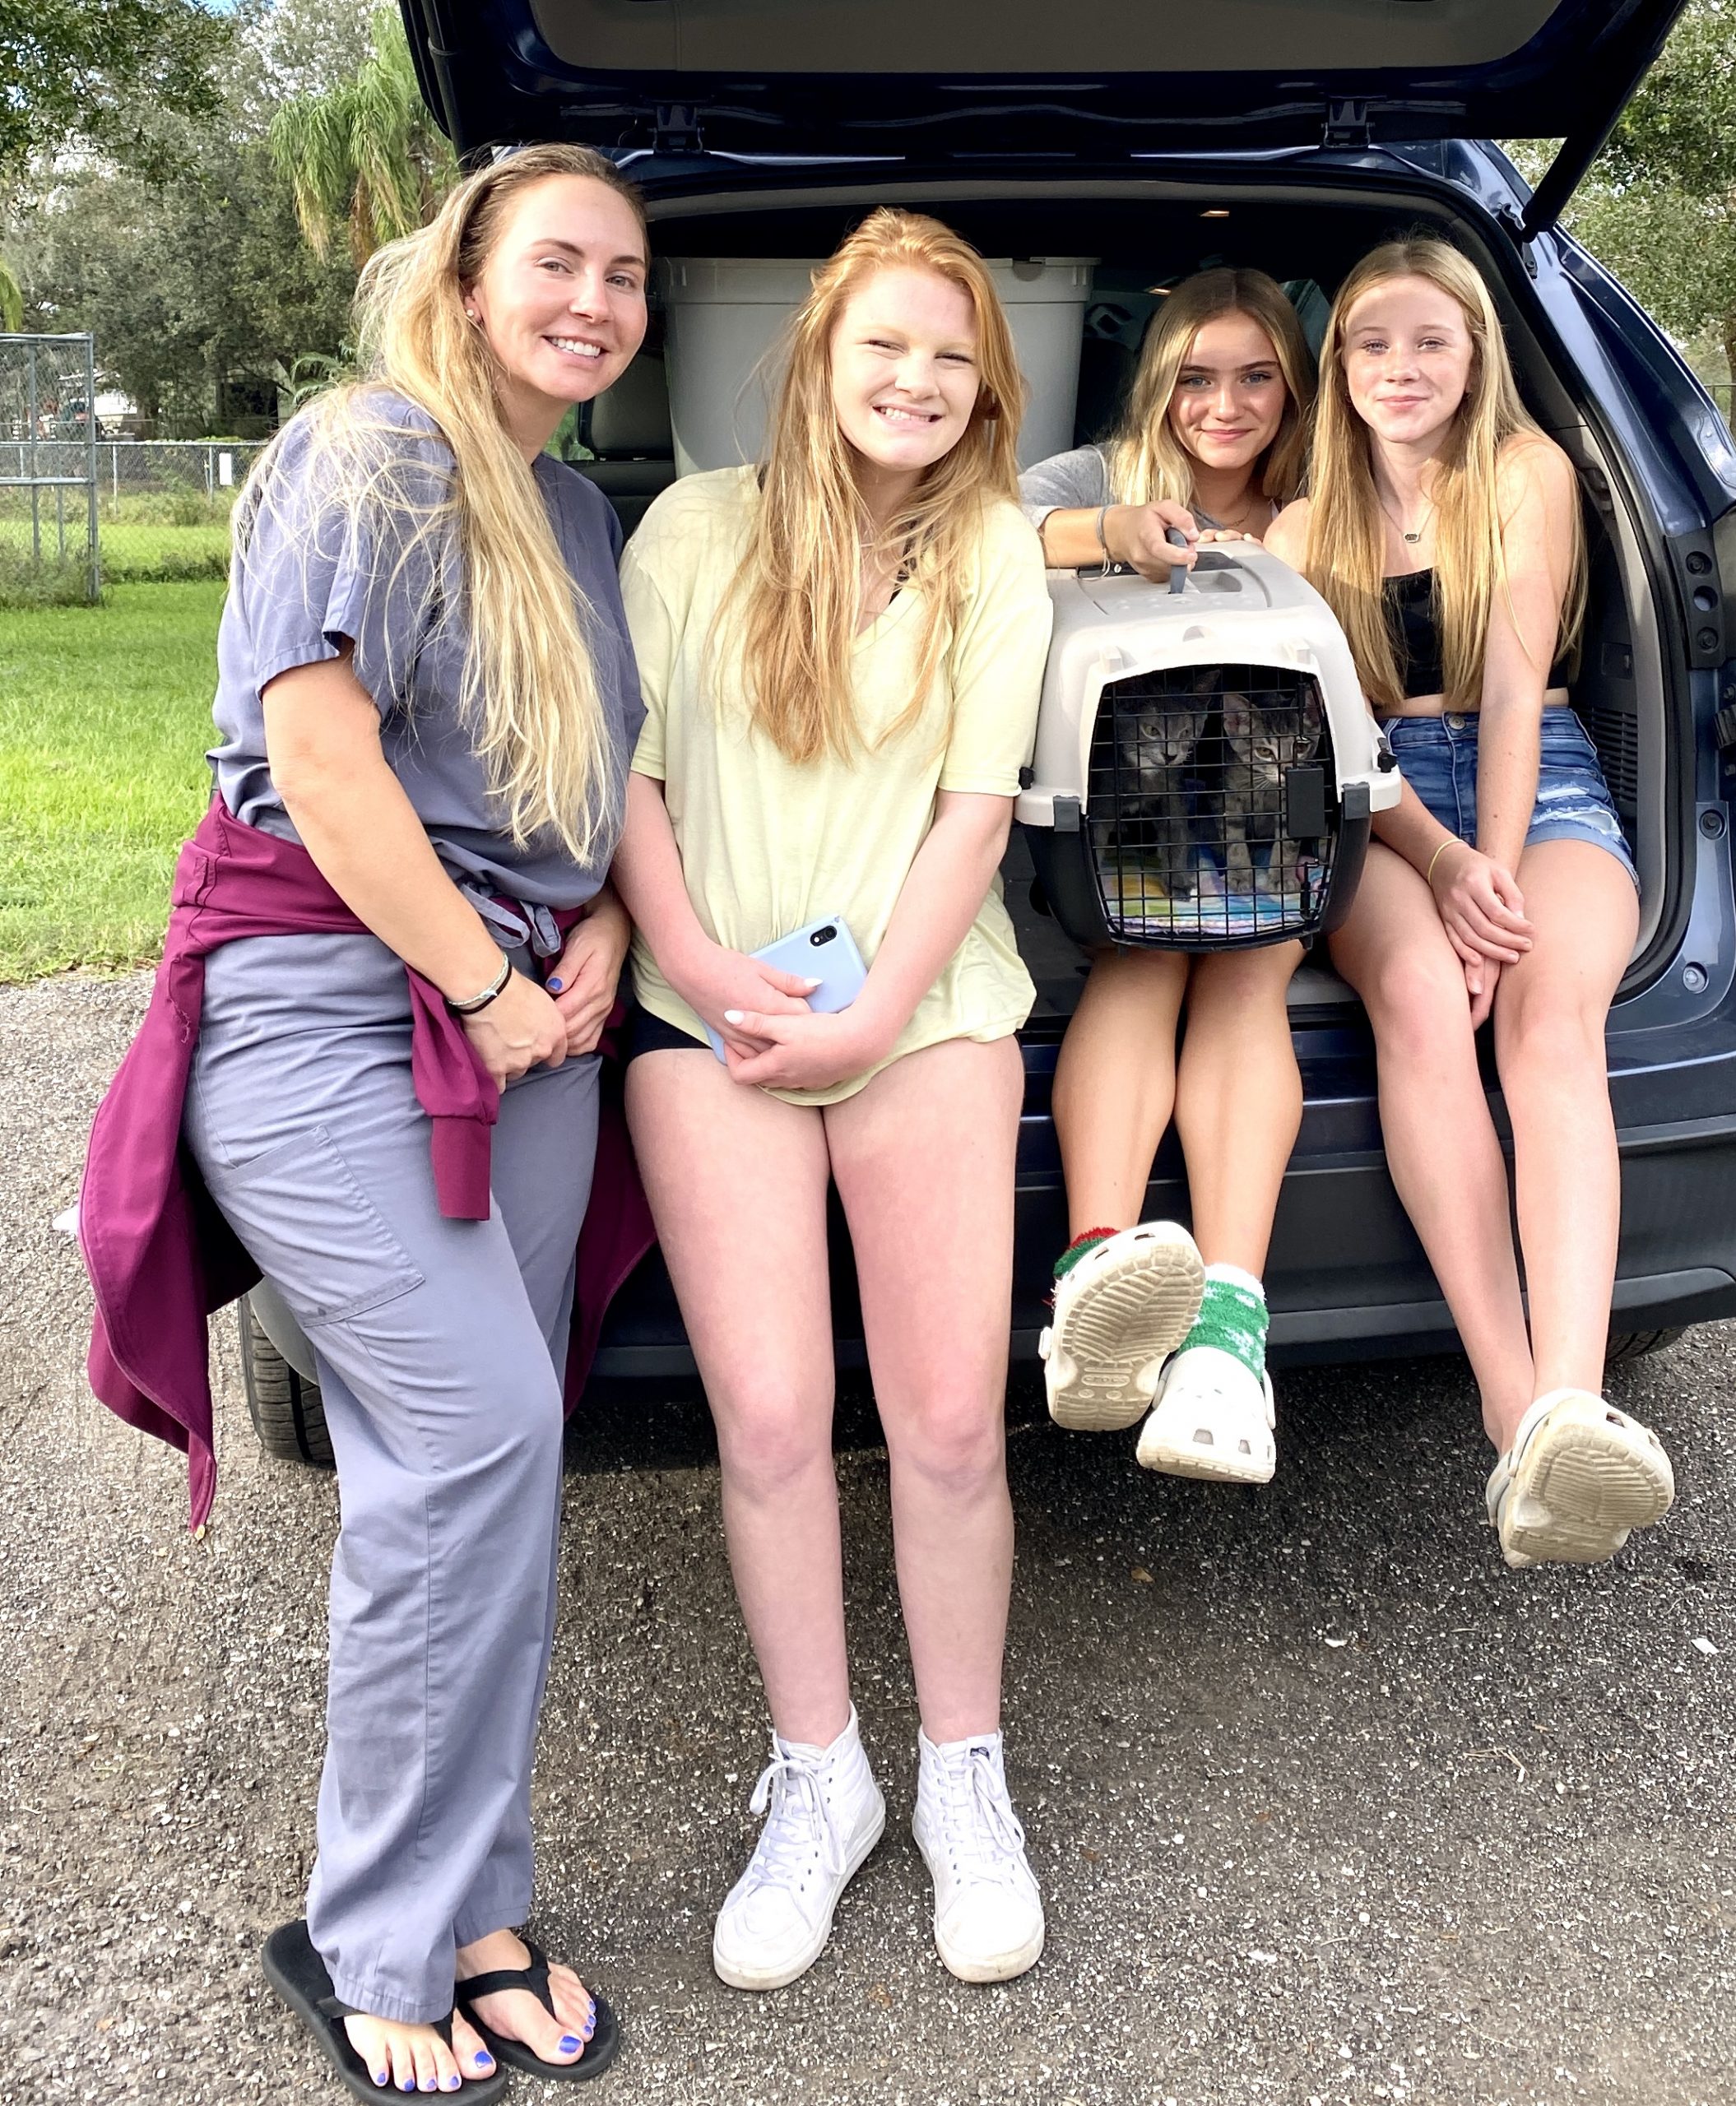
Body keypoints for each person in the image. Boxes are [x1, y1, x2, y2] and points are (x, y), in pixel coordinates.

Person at [95, 144, 648, 2098]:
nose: (594, 300)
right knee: (470, 1427)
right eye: (558, 262)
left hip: (516, 1013)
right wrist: (496, 985)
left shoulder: (573, 507)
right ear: (470, 274)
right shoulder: (371, 452)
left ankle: (474, 1896)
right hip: (339, 1006)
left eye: (626, 276)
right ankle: (375, 1933)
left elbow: (571, 788)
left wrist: (582, 931)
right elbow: (322, 759)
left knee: (495, 1457)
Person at [615, 210, 1052, 1992]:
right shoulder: (688, 530)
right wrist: (712, 972)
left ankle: (963, 1771)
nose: (918, 381)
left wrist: (870, 1007)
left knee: (949, 1421)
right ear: (818, 354)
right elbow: (629, 782)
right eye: (886, 345)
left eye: (952, 356)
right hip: (705, 1016)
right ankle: (821, 1775)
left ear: (985, 384)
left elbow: (974, 806)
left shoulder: (998, 550)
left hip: (926, 1011)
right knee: (776, 1420)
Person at [1264, 235, 1675, 1567]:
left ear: (1476, 353)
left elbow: (1509, 688)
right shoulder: (1296, 522)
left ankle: (1572, 1396)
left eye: (1430, 340)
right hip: (1381, 810)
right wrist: (1442, 868)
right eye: (1373, 342)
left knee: (1548, 1023)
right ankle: (1517, 1416)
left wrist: (1489, 874)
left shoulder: (1526, 470)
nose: (1401, 366)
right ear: (1339, 365)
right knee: (1426, 1005)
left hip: (1537, 778)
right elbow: (1333, 738)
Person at [1019, 269, 1316, 1483]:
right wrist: (1111, 535)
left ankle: (1225, 1341)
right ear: (1158, 382)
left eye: (1256, 377)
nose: (1225, 405)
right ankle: (1098, 1274)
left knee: (1251, 960)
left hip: (1283, 817)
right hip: (1121, 816)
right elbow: (981, 531)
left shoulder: (1317, 501)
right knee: (1140, 954)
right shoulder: (1091, 478)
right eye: (1196, 376)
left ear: (1293, 387)